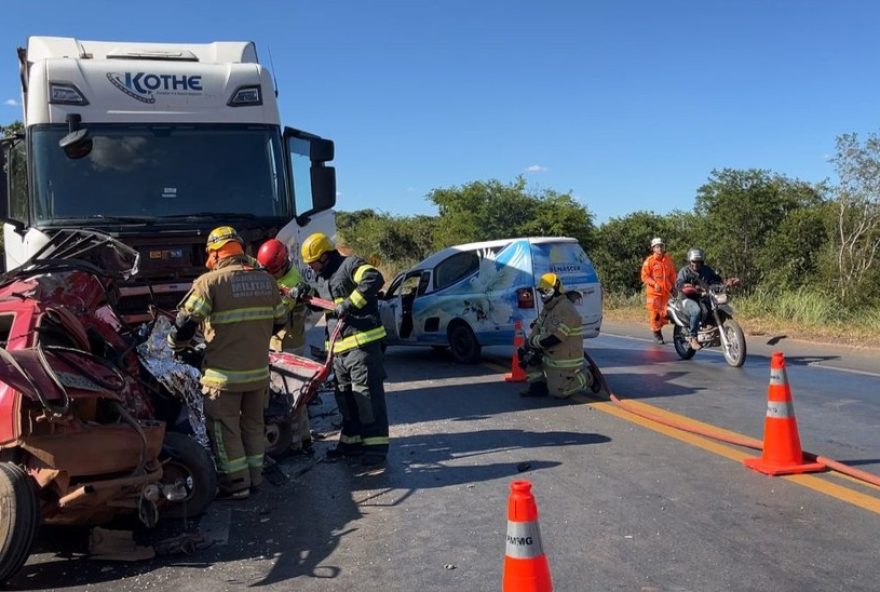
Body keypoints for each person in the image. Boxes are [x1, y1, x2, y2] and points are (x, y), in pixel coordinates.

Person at [169, 226, 287, 500]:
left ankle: (237, 484)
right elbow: (280, 320)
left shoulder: (209, 282)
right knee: (254, 426)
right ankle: (255, 478)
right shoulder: (266, 280)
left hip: (223, 378)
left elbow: (186, 324)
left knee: (226, 430)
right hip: (258, 375)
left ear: (215, 252)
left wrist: (176, 346)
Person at [300, 232, 389, 467]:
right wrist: (303, 295)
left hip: (362, 345)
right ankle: (351, 444)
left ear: (326, 256)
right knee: (346, 399)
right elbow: (320, 303)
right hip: (339, 351)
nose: (313, 268)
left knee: (367, 399)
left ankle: (376, 449)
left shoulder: (351, 265)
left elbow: (374, 278)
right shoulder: (323, 278)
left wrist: (351, 304)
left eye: (314, 263)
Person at [257, 238, 313, 453]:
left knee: (291, 397)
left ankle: (296, 443)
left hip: (289, 346)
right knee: (291, 396)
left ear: (282, 265)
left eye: (273, 271)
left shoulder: (292, 282)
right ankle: (302, 439)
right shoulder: (275, 274)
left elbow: (277, 314)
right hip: (279, 344)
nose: (270, 276)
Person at [520, 272, 592, 398]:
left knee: (559, 392)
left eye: (546, 292)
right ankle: (538, 388)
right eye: (541, 292)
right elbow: (538, 326)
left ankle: (587, 376)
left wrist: (531, 343)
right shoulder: (548, 308)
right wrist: (527, 345)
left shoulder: (566, 309)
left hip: (564, 359)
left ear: (557, 290)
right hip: (549, 354)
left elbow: (554, 338)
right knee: (524, 354)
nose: (543, 296)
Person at [674, 248, 730, 351]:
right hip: (686, 299)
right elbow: (679, 284)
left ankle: (712, 327)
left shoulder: (706, 270)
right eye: (694, 261)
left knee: (717, 307)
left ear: (702, 261)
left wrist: (726, 282)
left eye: (698, 261)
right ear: (690, 261)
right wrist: (688, 287)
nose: (696, 264)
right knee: (696, 310)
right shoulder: (685, 271)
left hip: (702, 297)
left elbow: (716, 279)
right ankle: (693, 337)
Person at [640, 237, 677, 344]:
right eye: (657, 246)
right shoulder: (649, 261)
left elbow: (672, 275)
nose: (659, 248)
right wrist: (654, 283)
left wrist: (674, 287)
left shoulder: (668, 260)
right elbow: (644, 276)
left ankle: (659, 329)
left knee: (665, 314)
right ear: (653, 248)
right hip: (654, 294)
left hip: (665, 293)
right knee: (655, 315)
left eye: (661, 246)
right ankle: (657, 334)